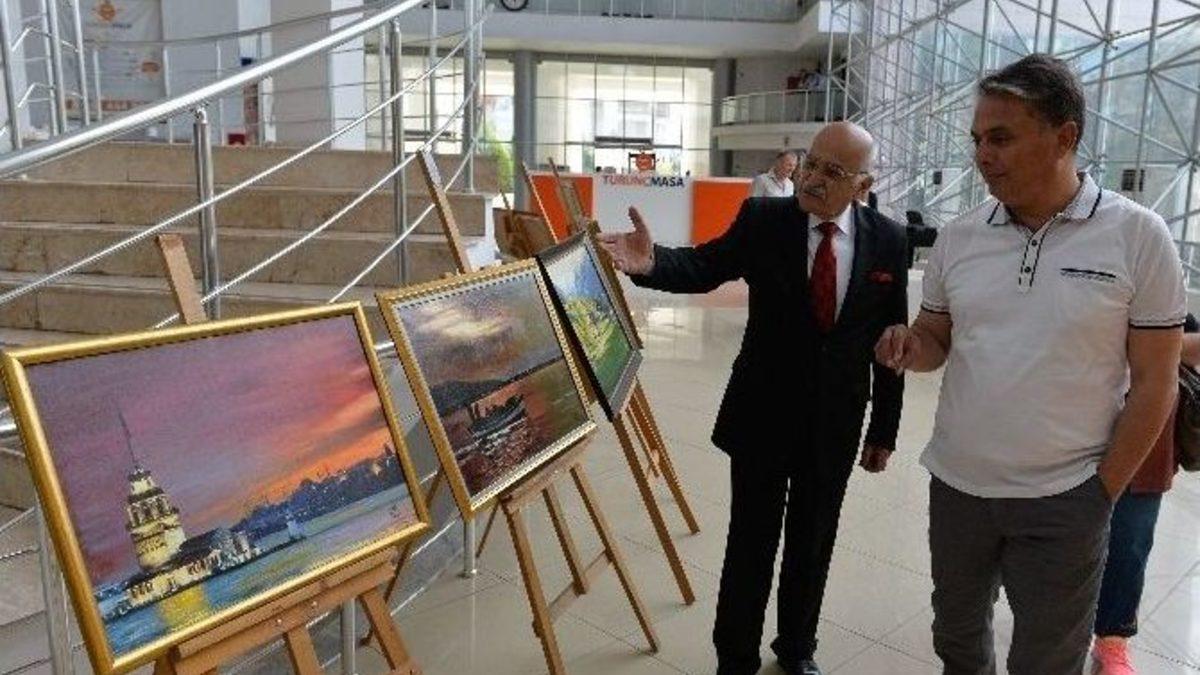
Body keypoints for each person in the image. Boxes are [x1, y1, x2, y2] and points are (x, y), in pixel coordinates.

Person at [874, 54, 1185, 674]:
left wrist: (1102, 491)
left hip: (1065, 495)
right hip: (958, 486)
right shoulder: (961, 236)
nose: (982, 155)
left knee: (1047, 658)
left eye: (1001, 138)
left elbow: (1157, 382)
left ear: (1064, 136)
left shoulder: (1138, 236)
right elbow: (936, 337)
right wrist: (911, 345)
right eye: (977, 140)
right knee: (958, 641)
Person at [599, 121, 909, 675]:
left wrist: (884, 427)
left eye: (832, 171)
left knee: (813, 542)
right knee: (751, 542)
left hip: (836, 420)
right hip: (764, 411)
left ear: (863, 184)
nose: (811, 178)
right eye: (810, 163)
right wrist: (652, 263)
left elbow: (892, 338)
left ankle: (797, 649)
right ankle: (735, 657)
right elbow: (706, 266)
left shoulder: (888, 239)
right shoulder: (764, 219)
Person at [1092, 314, 1200, 674]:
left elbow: (1195, 343)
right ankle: (1056, 628)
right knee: (1057, 539)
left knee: (1130, 544)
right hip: (1072, 432)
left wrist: (1150, 346)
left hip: (1148, 445)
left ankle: (1112, 640)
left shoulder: (1163, 294)